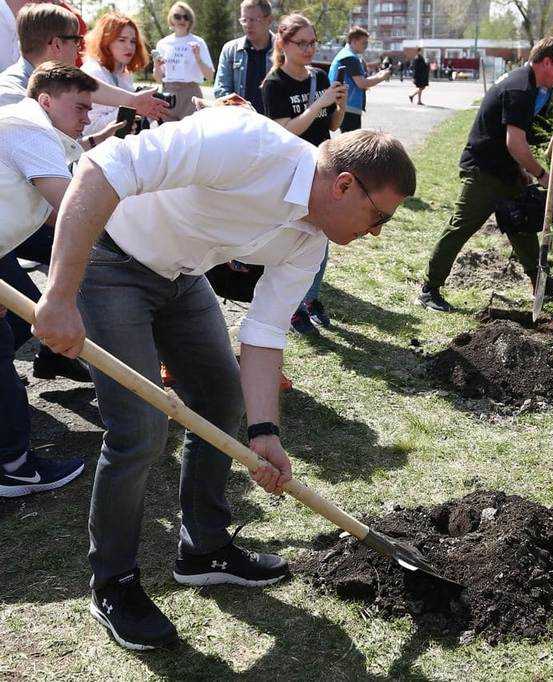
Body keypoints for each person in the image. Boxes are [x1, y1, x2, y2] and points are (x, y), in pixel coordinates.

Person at [32, 103, 416, 650]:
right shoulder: (244, 143)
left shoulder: (311, 240)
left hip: (181, 276)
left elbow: (262, 335)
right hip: (110, 257)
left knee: (220, 397)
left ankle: (204, 548)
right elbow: (99, 171)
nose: (378, 232)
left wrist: (266, 435)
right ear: (345, 185)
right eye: (380, 217)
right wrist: (60, 294)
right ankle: (113, 582)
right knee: (140, 429)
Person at [0, 62, 103, 498]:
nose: (87, 117)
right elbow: (71, 210)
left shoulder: (45, 135)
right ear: (45, 101)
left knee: (22, 319)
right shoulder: (29, 128)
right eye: (79, 107)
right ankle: (13, 465)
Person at [418, 37, 553, 313]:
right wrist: (540, 174)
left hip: (503, 169)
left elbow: (511, 143)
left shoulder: (527, 83)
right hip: (484, 170)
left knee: (521, 225)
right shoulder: (521, 88)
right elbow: (515, 142)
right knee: (461, 227)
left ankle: (541, 283)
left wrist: (521, 170)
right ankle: (430, 289)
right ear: (548, 62)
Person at [261, 13, 345, 336]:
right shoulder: (274, 84)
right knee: (293, 238)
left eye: (313, 43)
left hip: (323, 167)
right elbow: (285, 131)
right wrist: (317, 104)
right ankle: (291, 308)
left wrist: (339, 103)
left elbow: (332, 125)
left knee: (321, 239)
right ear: (283, 44)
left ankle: (309, 300)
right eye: (302, 43)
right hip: (293, 170)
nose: (309, 49)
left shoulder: (320, 78)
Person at [0, 3, 167, 117]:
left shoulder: (49, 78)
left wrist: (133, 101)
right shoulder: (12, 97)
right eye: (76, 41)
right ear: (57, 45)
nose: (79, 48)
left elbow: (86, 84)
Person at [81, 11, 148, 138]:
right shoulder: (93, 72)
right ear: (106, 42)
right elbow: (89, 128)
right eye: (122, 40)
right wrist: (135, 107)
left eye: (133, 41)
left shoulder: (124, 74)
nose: (129, 47)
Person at [153, 2, 213, 121]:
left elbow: (210, 76)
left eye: (186, 17)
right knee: (168, 135)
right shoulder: (163, 44)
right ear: (171, 19)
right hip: (168, 93)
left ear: (190, 20)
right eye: (177, 16)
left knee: (191, 136)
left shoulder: (198, 42)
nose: (182, 20)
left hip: (191, 93)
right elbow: (159, 79)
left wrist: (198, 58)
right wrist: (156, 65)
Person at [213, 0, 273, 114]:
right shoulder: (231, 50)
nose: (248, 25)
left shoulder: (283, 49)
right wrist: (240, 109)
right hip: (241, 121)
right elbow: (221, 90)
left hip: (274, 123)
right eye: (244, 20)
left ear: (269, 20)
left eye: (254, 20)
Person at [327, 26, 390, 132]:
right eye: (364, 43)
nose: (366, 46)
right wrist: (382, 76)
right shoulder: (350, 57)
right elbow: (362, 83)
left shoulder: (345, 54)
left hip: (343, 104)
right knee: (351, 144)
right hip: (349, 106)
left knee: (347, 141)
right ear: (354, 41)